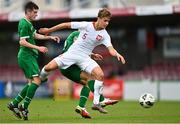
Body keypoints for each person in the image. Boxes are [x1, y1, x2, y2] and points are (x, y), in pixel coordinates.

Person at [39, 8, 125, 117]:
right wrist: (48, 31)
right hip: (72, 54)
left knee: (100, 75)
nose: (106, 23)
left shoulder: (104, 35)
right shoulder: (86, 25)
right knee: (48, 67)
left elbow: (110, 48)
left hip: (84, 58)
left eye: (108, 21)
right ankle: (41, 78)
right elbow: (66, 25)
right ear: (98, 18)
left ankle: (96, 103)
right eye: (105, 20)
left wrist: (117, 53)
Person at [7, 1, 60, 120]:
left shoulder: (29, 24)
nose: (37, 14)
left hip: (28, 56)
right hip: (26, 56)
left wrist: (49, 37)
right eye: (35, 12)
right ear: (29, 11)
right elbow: (22, 41)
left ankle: (14, 104)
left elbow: (35, 35)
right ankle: (24, 106)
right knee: (37, 80)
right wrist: (38, 48)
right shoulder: (24, 23)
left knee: (32, 83)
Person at [60, 31, 119, 118]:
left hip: (66, 65)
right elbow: (73, 51)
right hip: (68, 65)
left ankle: (84, 106)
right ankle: (96, 102)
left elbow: (76, 49)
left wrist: (92, 54)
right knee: (89, 79)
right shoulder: (78, 35)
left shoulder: (74, 35)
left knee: (87, 81)